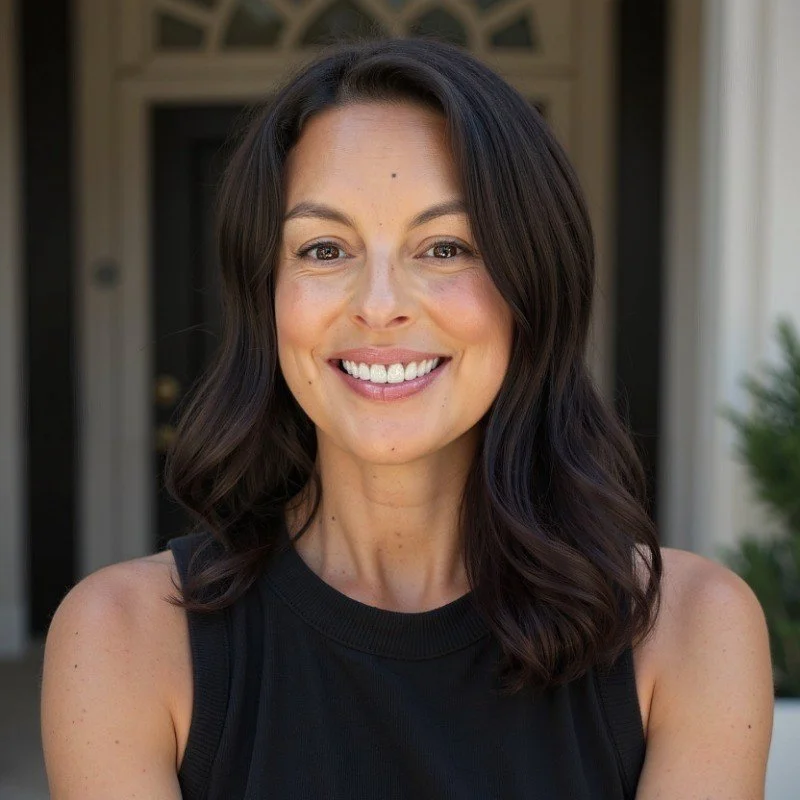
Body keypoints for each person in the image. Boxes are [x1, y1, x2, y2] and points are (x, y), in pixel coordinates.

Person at [42, 37, 773, 799]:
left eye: (446, 246)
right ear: (266, 297)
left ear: (535, 288)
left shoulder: (688, 631)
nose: (380, 304)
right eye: (324, 248)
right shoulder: (123, 638)